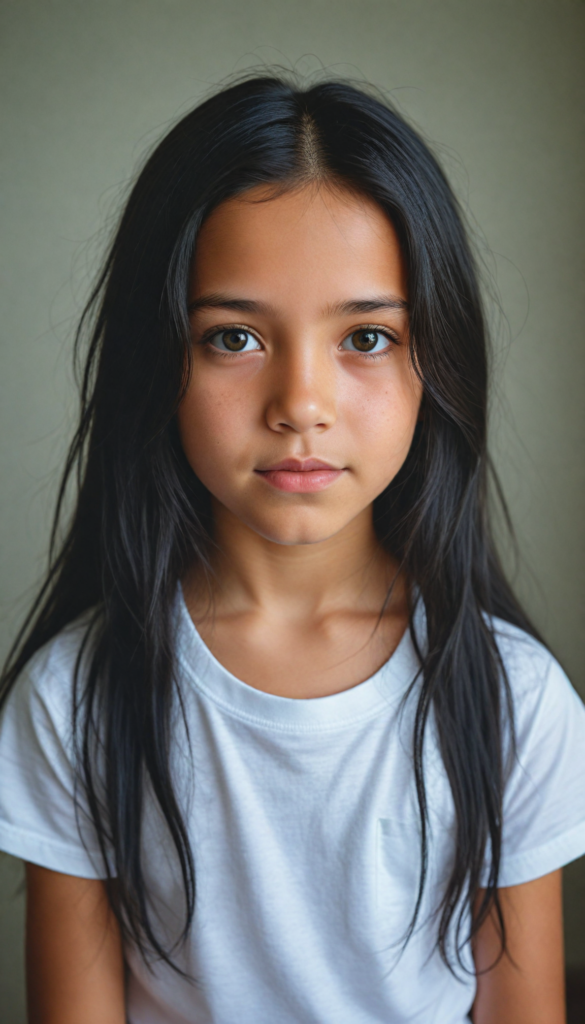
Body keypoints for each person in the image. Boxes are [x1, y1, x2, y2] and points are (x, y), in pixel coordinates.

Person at [0, 75, 584, 1024]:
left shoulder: (515, 703)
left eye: (364, 336)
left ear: (436, 361)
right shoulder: (76, 700)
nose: (300, 402)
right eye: (233, 337)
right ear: (160, 360)